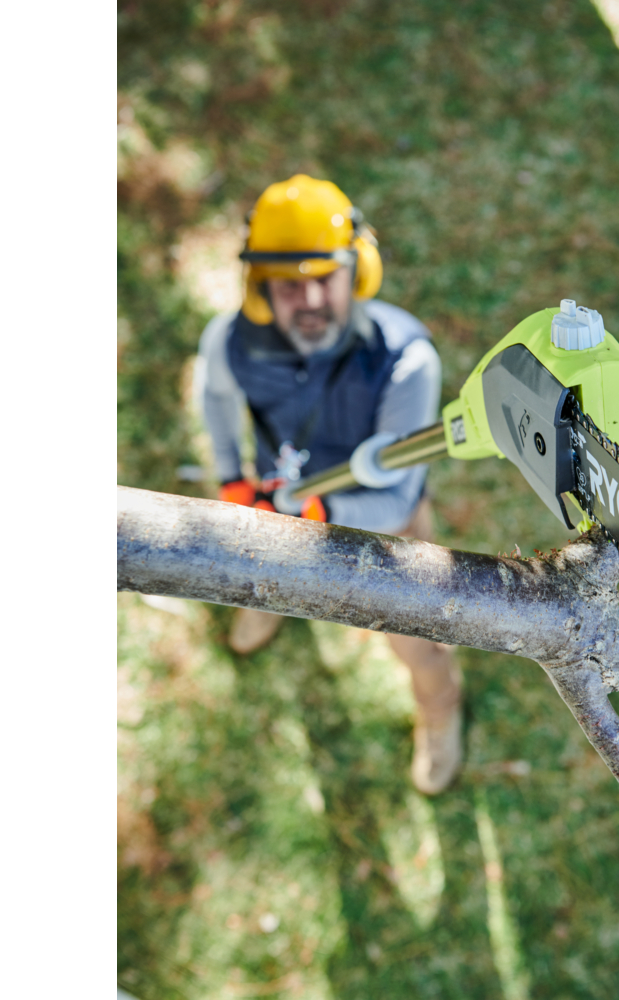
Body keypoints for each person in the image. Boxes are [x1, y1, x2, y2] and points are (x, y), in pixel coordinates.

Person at [194, 174, 462, 795]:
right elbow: (214, 401)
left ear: (359, 270)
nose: (309, 298)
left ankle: (439, 708)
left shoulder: (403, 360)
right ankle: (270, 605)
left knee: (417, 640)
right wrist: (232, 476)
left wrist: (318, 509)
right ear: (258, 286)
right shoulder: (230, 344)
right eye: (287, 284)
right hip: (273, 514)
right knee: (264, 580)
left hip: (384, 533)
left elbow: (394, 495)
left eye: (324, 277)